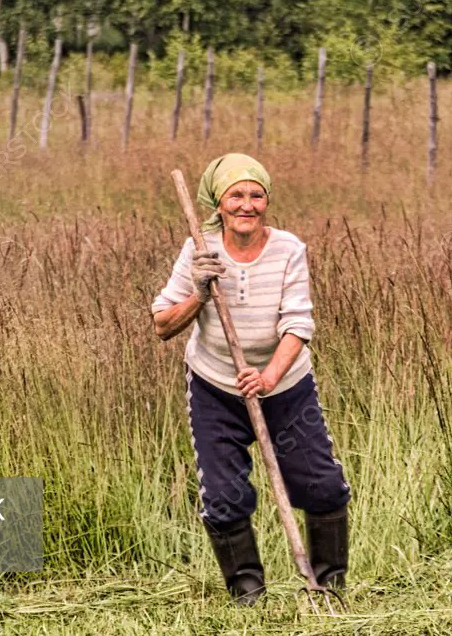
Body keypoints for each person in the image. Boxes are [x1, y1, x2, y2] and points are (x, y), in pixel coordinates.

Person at [152, 153, 350, 605]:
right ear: (218, 203)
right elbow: (162, 325)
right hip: (215, 387)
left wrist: (267, 377)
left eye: (256, 195)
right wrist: (199, 294)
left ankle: (327, 589)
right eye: (235, 195)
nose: (247, 204)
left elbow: (299, 325)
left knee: (321, 484)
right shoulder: (199, 249)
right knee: (224, 495)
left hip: (285, 386)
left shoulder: (288, 249)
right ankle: (248, 596)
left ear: (267, 201)